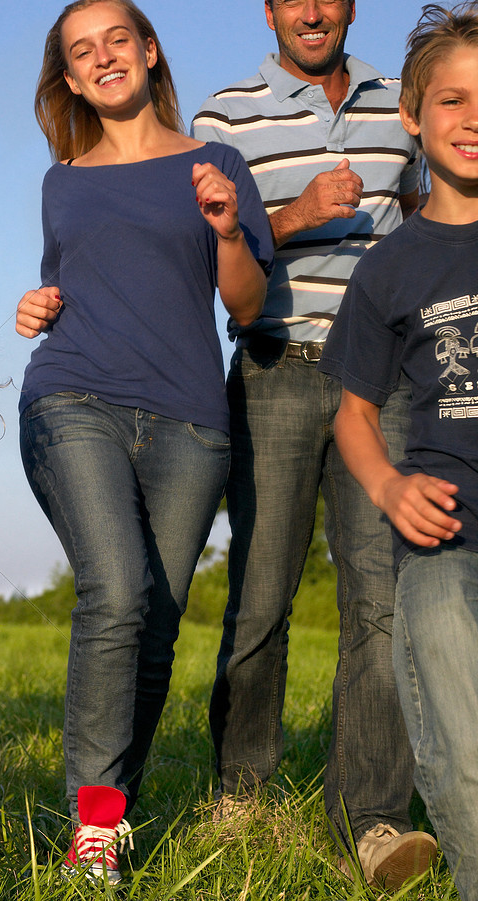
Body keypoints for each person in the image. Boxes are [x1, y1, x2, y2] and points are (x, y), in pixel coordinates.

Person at [14, 0, 271, 884]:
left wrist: (228, 228)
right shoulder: (64, 181)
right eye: (82, 52)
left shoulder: (217, 162)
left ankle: (113, 802)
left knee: (155, 627)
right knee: (117, 589)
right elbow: (62, 288)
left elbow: (244, 305)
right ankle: (94, 827)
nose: (102, 57)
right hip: (72, 396)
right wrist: (33, 306)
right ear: (74, 77)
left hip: (191, 421)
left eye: (116, 38)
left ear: (149, 51)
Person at [189, 0, 438, 886]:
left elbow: (425, 206)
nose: (311, 10)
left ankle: (372, 817)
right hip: (275, 370)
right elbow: (206, 254)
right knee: (260, 595)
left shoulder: (400, 103)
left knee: (382, 601)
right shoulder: (222, 116)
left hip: (386, 380)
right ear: (269, 9)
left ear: (349, 6)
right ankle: (243, 794)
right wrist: (293, 213)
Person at [321, 5, 478, 898]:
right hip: (447, 541)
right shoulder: (391, 265)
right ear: (414, 117)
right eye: (452, 100)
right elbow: (353, 409)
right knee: (463, 751)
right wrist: (385, 483)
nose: (474, 118)